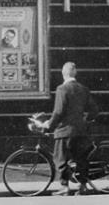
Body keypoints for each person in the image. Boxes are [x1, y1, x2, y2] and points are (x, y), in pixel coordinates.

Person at [37, 61, 98, 195]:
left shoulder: (61, 89)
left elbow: (58, 112)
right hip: (81, 131)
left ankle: (65, 187)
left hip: (65, 131)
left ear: (63, 74)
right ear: (75, 73)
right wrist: (85, 121)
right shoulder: (83, 88)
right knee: (81, 159)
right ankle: (83, 186)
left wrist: (48, 125)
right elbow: (94, 109)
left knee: (59, 159)